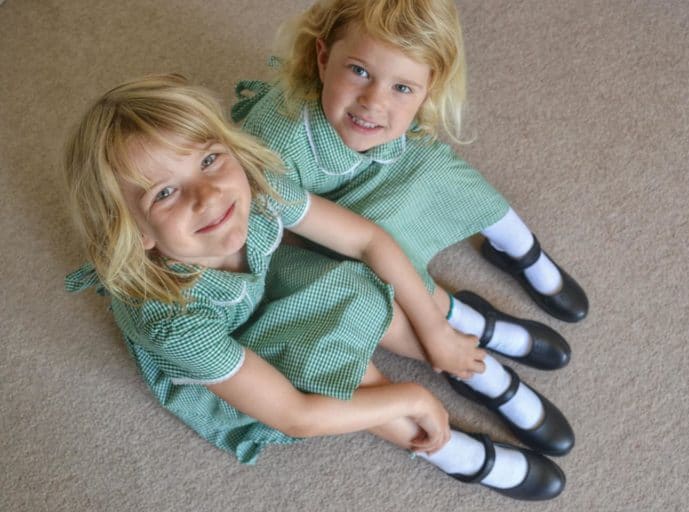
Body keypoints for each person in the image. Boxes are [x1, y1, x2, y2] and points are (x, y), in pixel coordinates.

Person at [63, 75, 565, 500]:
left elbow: (368, 240)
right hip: (222, 339)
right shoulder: (170, 322)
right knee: (327, 365)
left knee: (358, 289)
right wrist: (409, 398)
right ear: (138, 233)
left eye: (210, 160)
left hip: (270, 281)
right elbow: (295, 414)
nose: (209, 196)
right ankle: (451, 452)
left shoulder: (255, 185)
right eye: (166, 193)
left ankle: (476, 368)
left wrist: (434, 330)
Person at [232, 0, 582, 452]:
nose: (373, 101)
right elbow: (338, 240)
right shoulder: (275, 146)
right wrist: (433, 330)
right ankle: (473, 340)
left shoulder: (382, 116)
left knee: (435, 171)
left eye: (402, 87)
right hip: (294, 218)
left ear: (427, 87)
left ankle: (522, 252)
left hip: (351, 187)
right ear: (323, 57)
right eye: (359, 71)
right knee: (355, 274)